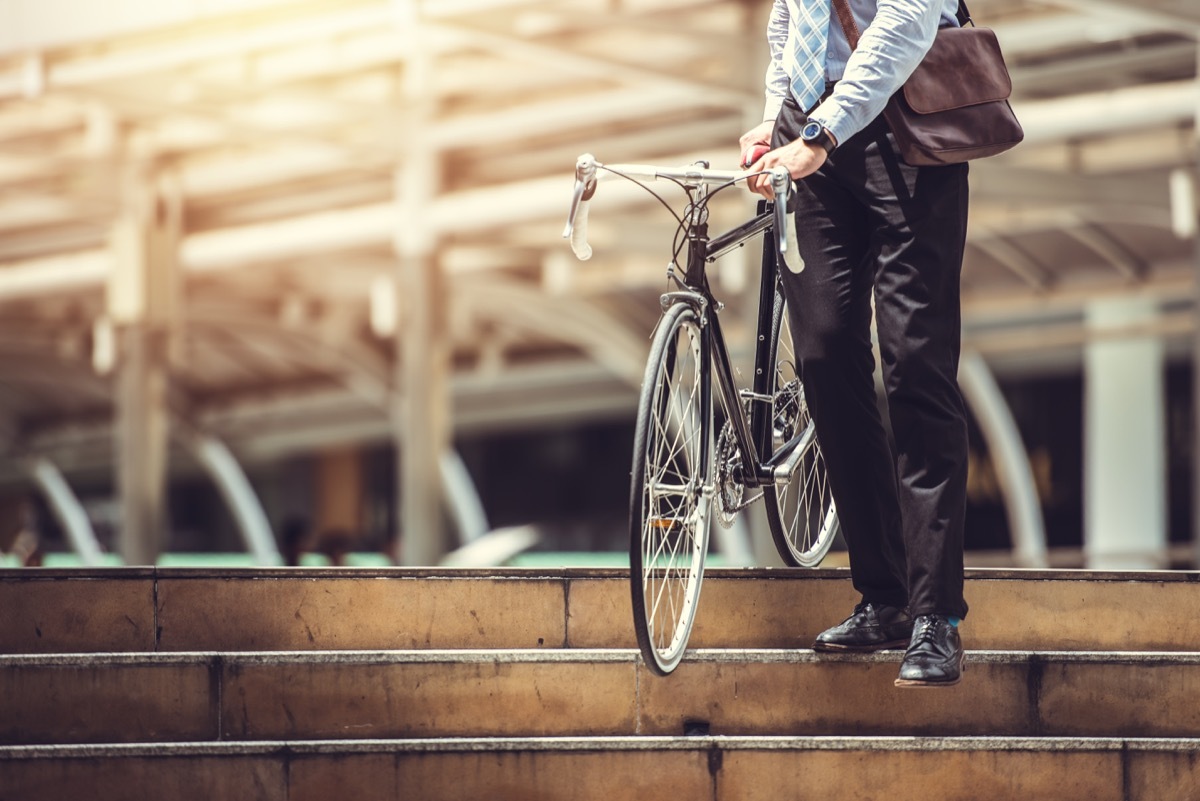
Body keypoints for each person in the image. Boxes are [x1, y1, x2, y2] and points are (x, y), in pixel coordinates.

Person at [741, 0, 970, 687]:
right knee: (823, 354)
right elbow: (793, 18)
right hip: (814, 133)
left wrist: (821, 130)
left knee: (915, 367)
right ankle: (886, 594)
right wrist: (777, 110)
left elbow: (906, 20)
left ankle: (937, 616)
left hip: (908, 127)